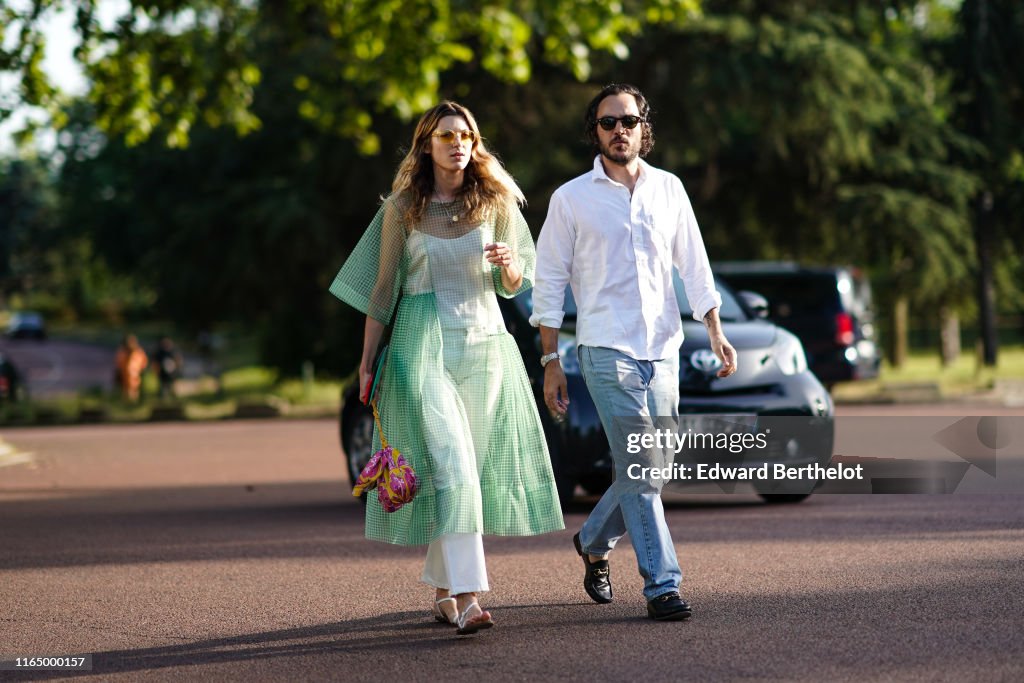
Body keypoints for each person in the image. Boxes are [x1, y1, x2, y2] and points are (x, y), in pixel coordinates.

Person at [329, 101, 564, 636]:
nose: (458, 144)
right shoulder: (400, 208)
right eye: (446, 136)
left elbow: (516, 284)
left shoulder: (498, 201)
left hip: (486, 347)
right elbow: (383, 288)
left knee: (467, 475)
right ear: (426, 145)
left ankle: (441, 593)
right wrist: (367, 363)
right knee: (454, 467)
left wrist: (509, 267)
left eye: (467, 135)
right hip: (420, 345)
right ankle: (469, 596)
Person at [530, 84, 738, 621]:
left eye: (628, 120)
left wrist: (713, 328)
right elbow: (548, 281)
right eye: (607, 123)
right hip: (604, 350)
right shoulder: (571, 198)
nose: (618, 130)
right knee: (642, 465)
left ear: (644, 126)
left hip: (664, 347)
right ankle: (662, 585)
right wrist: (551, 360)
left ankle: (594, 540)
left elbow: (694, 263)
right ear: (594, 132)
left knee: (657, 464)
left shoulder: (669, 189)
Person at [115, 334, 149, 402]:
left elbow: (144, 362)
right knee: (126, 392)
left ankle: (134, 403)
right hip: (125, 377)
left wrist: (141, 370)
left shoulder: (139, 352)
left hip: (136, 376)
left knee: (135, 390)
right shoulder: (122, 352)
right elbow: (118, 363)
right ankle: (126, 403)